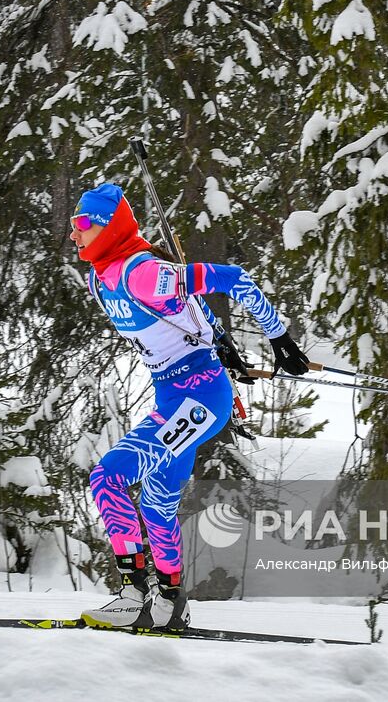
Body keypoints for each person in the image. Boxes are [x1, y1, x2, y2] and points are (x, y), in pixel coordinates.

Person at [69, 182, 311, 630]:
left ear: (107, 228)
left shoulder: (140, 272)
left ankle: (132, 594)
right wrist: (219, 343)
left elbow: (234, 278)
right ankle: (169, 604)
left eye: (83, 224)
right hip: (173, 395)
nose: (75, 233)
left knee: (109, 476)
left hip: (199, 399)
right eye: (73, 224)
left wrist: (279, 338)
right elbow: (187, 312)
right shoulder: (99, 278)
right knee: (159, 502)